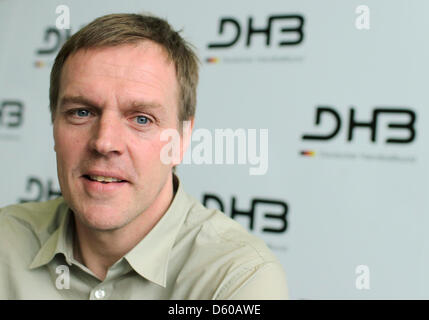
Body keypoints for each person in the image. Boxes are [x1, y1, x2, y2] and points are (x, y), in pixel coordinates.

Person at [0, 13, 288, 299]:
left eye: (141, 119)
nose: (104, 142)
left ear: (182, 139)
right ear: (54, 125)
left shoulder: (235, 279)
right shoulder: (6, 241)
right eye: (82, 112)